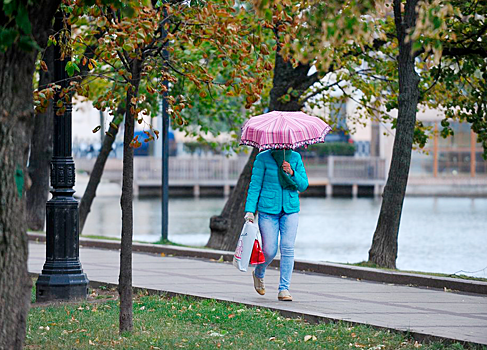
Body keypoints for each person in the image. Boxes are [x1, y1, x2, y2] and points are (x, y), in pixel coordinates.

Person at [244, 149, 308, 301]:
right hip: (268, 209)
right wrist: (250, 211)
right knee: (269, 250)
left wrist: (292, 172)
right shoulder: (263, 158)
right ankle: (259, 272)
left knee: (287, 247)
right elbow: (255, 186)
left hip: (290, 209)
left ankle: (284, 289)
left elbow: (303, 185)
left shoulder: (295, 157)